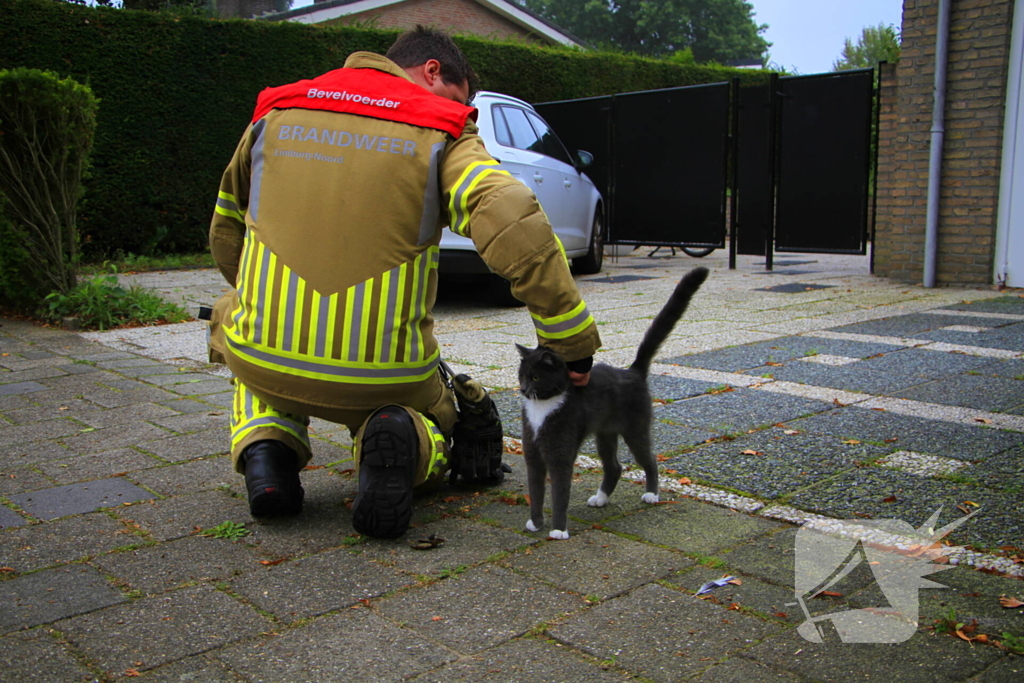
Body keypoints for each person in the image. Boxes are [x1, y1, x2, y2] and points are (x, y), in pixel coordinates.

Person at [208, 26, 600, 539]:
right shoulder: (442, 127)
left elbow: (225, 230)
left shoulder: (276, 111)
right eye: (462, 99)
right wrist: (568, 343)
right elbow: (510, 217)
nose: (464, 111)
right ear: (432, 71)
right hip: (385, 374)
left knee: (234, 327)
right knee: (435, 414)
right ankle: (404, 437)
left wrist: (259, 301)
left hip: (266, 358)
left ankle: (267, 453)